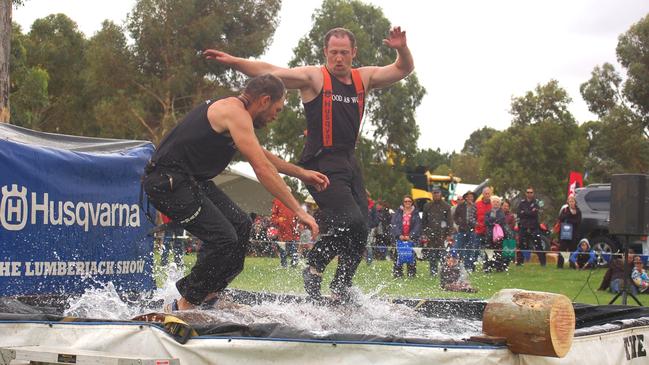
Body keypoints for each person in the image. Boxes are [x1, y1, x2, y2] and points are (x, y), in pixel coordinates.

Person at [204, 26, 414, 302]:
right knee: (351, 221)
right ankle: (315, 263)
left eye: (344, 53)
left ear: (354, 53)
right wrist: (235, 62)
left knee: (362, 227)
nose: (339, 58)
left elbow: (403, 69)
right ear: (325, 52)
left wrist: (401, 48)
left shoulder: (364, 78)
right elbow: (268, 71)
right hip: (320, 162)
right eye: (334, 53)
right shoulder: (314, 78)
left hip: (349, 161)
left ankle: (341, 288)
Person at [143, 74, 329, 311]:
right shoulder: (234, 112)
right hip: (168, 183)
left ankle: (211, 295)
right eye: (277, 109)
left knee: (241, 226)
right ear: (264, 100)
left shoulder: (237, 115)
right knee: (223, 238)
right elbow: (261, 168)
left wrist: (301, 173)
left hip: (190, 182)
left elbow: (262, 155)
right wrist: (298, 211)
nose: (275, 116)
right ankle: (184, 304)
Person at [421, 187, 453, 276]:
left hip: (442, 234)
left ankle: (444, 271)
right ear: (432, 194)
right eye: (434, 193)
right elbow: (424, 221)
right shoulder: (427, 206)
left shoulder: (446, 206)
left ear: (440, 194)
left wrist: (449, 234)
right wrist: (425, 233)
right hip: (430, 234)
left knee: (443, 254)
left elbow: (449, 221)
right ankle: (433, 272)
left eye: (437, 193)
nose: (436, 194)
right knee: (432, 255)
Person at [390, 195, 421, 277]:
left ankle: (411, 274)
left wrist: (411, 236)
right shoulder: (398, 212)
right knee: (398, 255)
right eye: (405, 201)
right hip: (399, 238)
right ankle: (397, 274)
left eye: (409, 201)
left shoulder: (415, 212)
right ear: (403, 203)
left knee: (411, 256)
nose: (407, 203)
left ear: (412, 202)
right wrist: (399, 234)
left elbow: (417, 226)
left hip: (411, 239)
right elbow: (394, 223)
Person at [516, 186, 546, 266]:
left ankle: (543, 262)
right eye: (528, 192)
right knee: (521, 244)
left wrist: (525, 212)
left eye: (531, 192)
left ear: (533, 193)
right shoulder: (522, 203)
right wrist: (529, 212)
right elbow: (519, 213)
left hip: (534, 227)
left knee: (538, 244)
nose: (529, 194)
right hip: (523, 226)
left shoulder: (537, 202)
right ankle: (519, 262)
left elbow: (535, 213)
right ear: (525, 193)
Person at [270, 193, 300, 267]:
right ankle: (285, 263)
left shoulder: (293, 201)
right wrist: (279, 221)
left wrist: (297, 223)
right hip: (282, 228)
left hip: (291, 227)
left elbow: (298, 214)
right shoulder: (278, 201)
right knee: (283, 245)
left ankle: (293, 262)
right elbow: (273, 216)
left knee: (292, 245)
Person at [453, 190, 478, 271]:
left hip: (472, 230)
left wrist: (475, 224)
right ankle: (457, 265)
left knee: (470, 249)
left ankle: (468, 266)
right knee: (459, 248)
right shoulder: (460, 206)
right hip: (462, 230)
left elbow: (478, 217)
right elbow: (455, 217)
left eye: (472, 197)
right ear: (466, 198)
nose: (471, 198)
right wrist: (459, 222)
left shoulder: (475, 206)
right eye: (469, 196)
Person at [556, 194, 582, 269]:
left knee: (572, 249)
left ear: (575, 202)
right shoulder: (565, 209)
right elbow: (561, 218)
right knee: (562, 249)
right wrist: (569, 215)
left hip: (574, 233)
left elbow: (578, 221)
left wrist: (569, 219)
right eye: (570, 201)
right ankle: (560, 265)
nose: (571, 203)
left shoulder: (578, 211)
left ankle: (572, 265)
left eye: (572, 201)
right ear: (568, 202)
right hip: (565, 233)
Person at [484, 196, 507, 272]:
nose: (495, 203)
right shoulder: (488, 212)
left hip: (498, 235)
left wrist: (492, 221)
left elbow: (501, 221)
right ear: (491, 203)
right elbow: (486, 222)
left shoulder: (502, 212)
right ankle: (488, 266)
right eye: (494, 202)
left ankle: (499, 266)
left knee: (498, 251)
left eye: (497, 202)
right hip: (490, 234)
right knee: (489, 250)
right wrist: (493, 222)